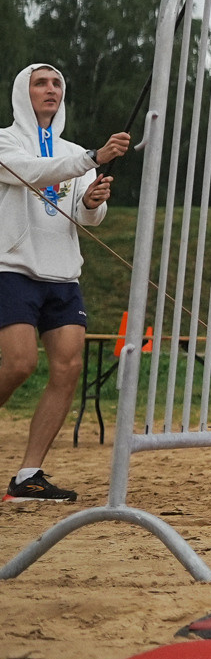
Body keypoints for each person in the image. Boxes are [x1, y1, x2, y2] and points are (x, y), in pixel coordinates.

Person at [0, 64, 131, 502]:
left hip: (63, 273)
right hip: (12, 268)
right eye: (40, 82)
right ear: (24, 92)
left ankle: (28, 476)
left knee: (68, 367)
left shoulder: (75, 151)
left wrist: (92, 201)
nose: (50, 90)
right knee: (19, 364)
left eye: (56, 83)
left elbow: (85, 216)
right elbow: (36, 172)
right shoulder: (5, 141)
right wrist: (93, 158)